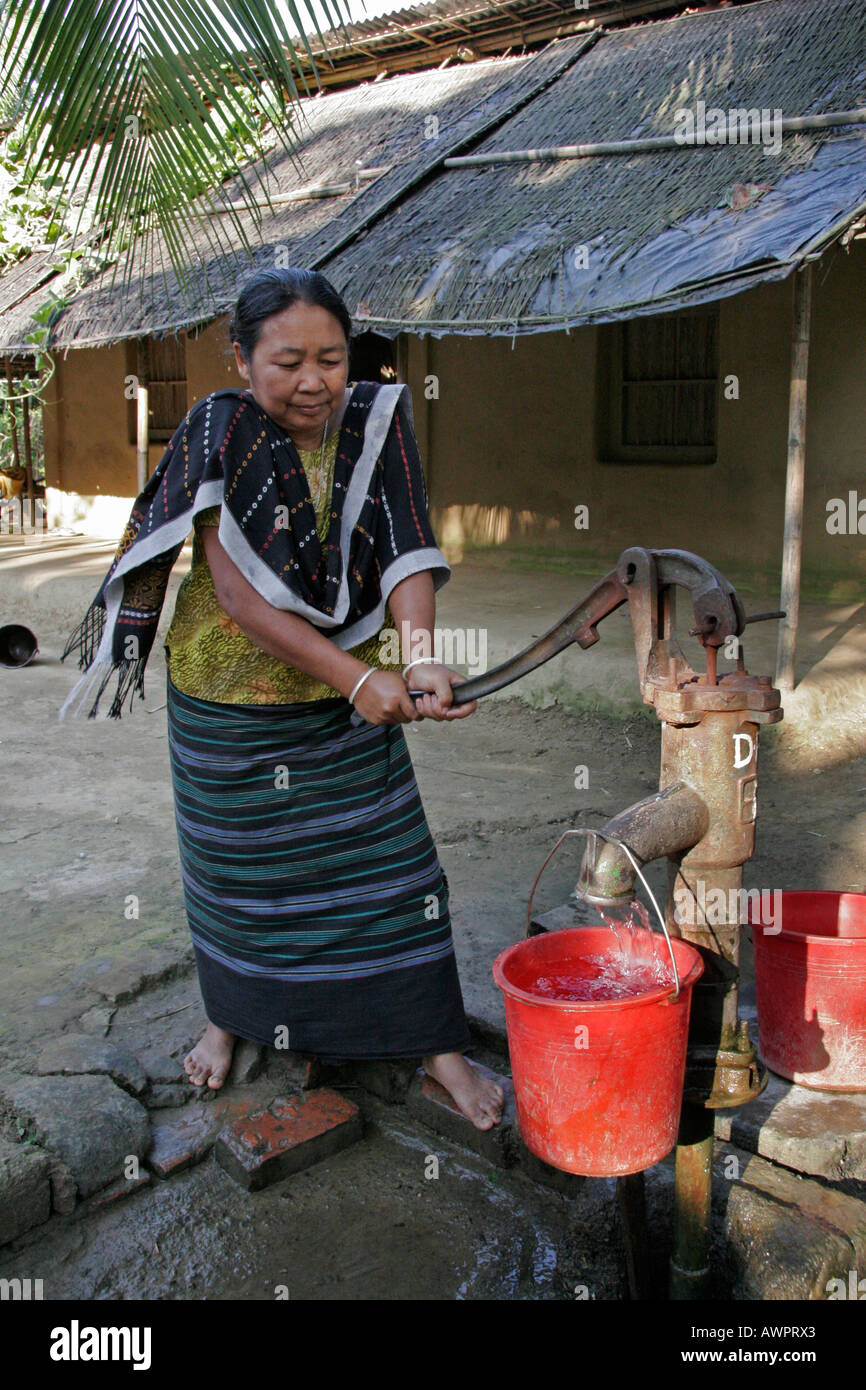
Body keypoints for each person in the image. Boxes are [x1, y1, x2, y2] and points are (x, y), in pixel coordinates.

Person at [61, 266, 505, 1132]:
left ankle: (434, 1044)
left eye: (331, 358)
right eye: (288, 361)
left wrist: (418, 660)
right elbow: (241, 599)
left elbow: (410, 546)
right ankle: (232, 1017)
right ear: (241, 359)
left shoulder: (379, 420)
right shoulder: (218, 432)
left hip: (352, 699)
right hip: (228, 698)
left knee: (392, 870)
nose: (314, 381)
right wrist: (361, 679)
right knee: (241, 881)